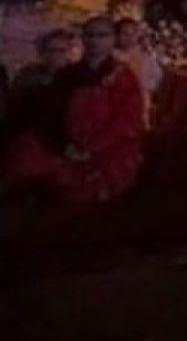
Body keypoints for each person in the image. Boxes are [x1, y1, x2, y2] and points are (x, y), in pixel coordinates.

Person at [3, 16, 145, 203]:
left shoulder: (123, 77)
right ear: (83, 39)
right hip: (69, 144)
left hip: (108, 147)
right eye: (90, 35)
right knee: (25, 150)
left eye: (102, 36)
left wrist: (92, 149)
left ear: (113, 39)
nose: (95, 41)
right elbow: (51, 114)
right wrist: (64, 145)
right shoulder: (67, 75)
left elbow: (127, 120)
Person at [114, 18, 164, 125]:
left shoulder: (146, 58)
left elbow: (158, 78)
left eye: (133, 34)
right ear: (116, 36)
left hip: (138, 110)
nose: (129, 38)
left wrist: (145, 85)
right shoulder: (109, 57)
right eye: (125, 34)